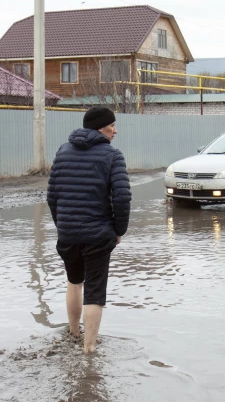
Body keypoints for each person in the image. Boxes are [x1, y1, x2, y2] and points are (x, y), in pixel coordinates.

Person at [47, 106, 131, 354]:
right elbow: (122, 199)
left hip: (68, 233)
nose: (115, 131)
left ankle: (74, 333)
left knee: (74, 282)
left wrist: (63, 225)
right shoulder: (112, 156)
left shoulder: (63, 151)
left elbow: (52, 196)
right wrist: (119, 230)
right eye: (111, 126)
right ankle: (89, 347)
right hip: (98, 235)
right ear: (99, 128)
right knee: (94, 292)